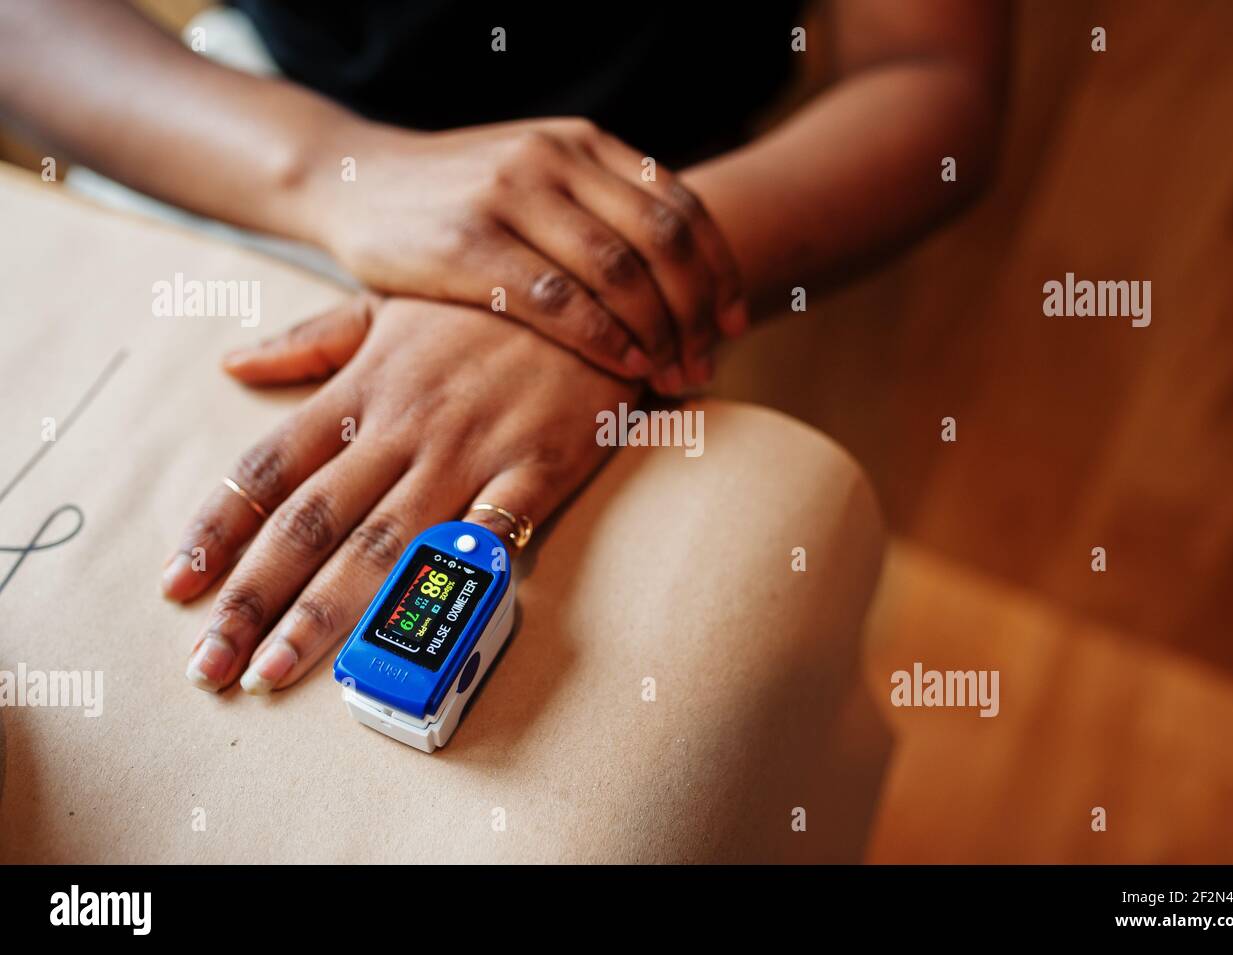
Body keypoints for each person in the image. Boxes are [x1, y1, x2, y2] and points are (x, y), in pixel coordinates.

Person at [0, 0, 1008, 695]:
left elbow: (932, 75)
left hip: (658, 226)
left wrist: (602, 278)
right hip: (224, 137)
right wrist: (333, 173)